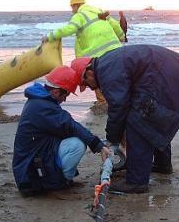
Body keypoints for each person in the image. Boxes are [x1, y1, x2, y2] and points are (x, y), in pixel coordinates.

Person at [71, 44, 179, 193]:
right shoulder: (107, 64)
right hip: (173, 71)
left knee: (139, 122)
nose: (91, 88)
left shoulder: (106, 73)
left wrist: (112, 139)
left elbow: (118, 107)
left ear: (89, 73)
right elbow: (124, 100)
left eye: (87, 85)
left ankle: (137, 181)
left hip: (167, 74)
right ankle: (162, 164)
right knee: (152, 118)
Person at [12, 66, 110, 196]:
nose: (65, 100)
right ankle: (58, 183)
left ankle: (56, 179)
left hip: (29, 167)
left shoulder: (38, 101)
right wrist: (97, 145)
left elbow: (67, 127)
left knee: (74, 137)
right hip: (30, 178)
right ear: (56, 92)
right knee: (77, 144)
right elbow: (70, 125)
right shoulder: (44, 107)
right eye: (66, 94)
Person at [42, 0, 125, 103]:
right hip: (116, 51)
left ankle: (103, 103)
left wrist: (50, 36)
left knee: (96, 79)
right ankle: (118, 99)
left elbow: (69, 29)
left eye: (72, 8)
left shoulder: (80, 16)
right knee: (115, 77)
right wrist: (122, 36)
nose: (72, 11)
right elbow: (115, 25)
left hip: (98, 56)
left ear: (76, 5)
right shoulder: (99, 11)